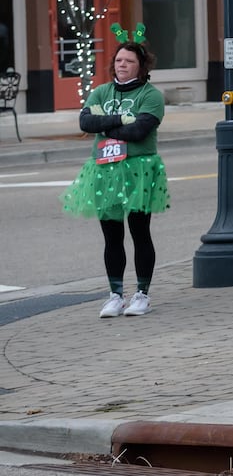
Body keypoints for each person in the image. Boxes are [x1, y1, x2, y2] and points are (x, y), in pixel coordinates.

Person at [61, 40, 170, 318]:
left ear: (141, 66)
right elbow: (86, 123)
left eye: (129, 61)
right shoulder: (101, 91)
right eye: (119, 60)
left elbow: (140, 132)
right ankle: (115, 295)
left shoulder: (151, 95)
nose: (122, 65)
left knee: (139, 231)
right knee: (112, 236)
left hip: (138, 169)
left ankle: (142, 294)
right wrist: (122, 119)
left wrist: (107, 125)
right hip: (105, 169)